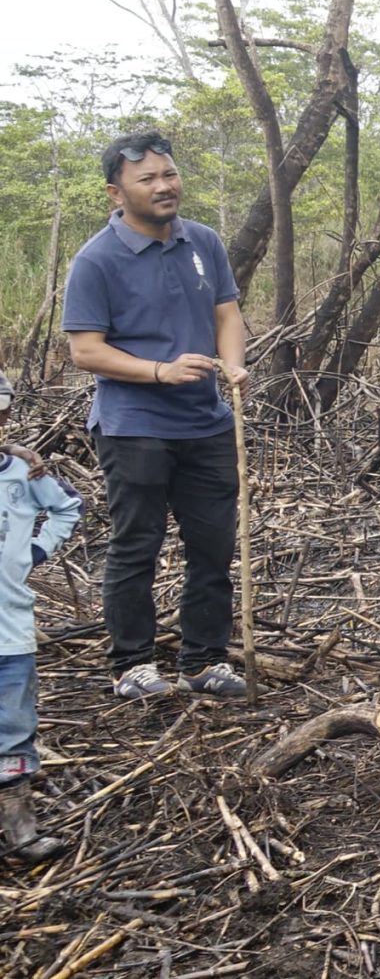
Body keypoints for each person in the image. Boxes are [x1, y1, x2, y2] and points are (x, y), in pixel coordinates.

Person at [62, 129, 250, 700]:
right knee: (135, 545)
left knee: (213, 546)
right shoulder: (97, 260)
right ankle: (132, 665)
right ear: (115, 193)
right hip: (134, 425)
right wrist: (159, 371)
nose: (164, 186)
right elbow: (84, 349)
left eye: (169, 174)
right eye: (147, 179)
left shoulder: (204, 242)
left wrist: (234, 364)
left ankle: (203, 661)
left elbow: (226, 312)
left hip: (207, 423)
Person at [0, 369, 81, 861]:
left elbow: (70, 507)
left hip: (10, 635)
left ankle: (18, 829)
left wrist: (36, 551)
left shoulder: (22, 474)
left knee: (13, 727)